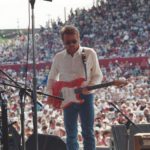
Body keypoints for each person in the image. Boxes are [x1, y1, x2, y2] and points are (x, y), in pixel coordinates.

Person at [47, 25, 103, 150]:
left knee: (88, 132)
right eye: (68, 42)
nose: (71, 44)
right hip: (67, 97)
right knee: (71, 134)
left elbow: (97, 75)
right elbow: (52, 77)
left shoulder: (89, 53)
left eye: (74, 41)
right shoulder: (59, 57)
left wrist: (91, 86)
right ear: (63, 42)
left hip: (86, 96)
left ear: (79, 39)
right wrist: (50, 94)